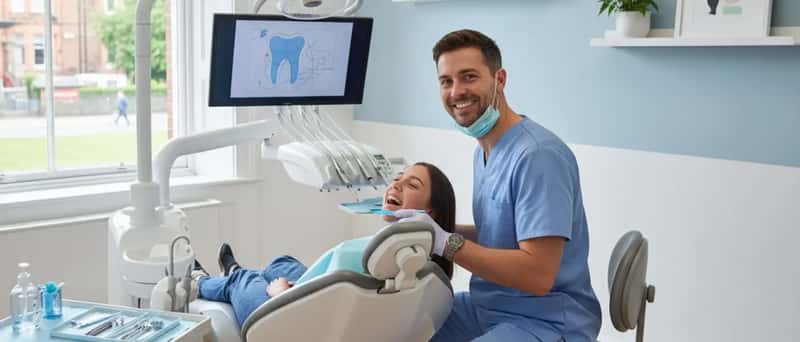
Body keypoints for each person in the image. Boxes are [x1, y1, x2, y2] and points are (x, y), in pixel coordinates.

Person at [396, 29, 602, 341]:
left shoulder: (538, 157)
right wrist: (430, 228)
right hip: (487, 307)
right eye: (446, 81)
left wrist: (446, 243)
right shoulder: (484, 150)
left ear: (499, 80)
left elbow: (537, 274)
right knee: (392, 325)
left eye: (469, 77)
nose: (456, 92)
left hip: (545, 321)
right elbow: (502, 236)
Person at [193, 162, 457, 328]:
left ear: (431, 212)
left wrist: (283, 293)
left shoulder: (388, 261)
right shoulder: (419, 263)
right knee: (282, 263)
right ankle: (233, 271)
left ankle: (200, 281)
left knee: (245, 280)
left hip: (294, 322)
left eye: (411, 184)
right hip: (323, 298)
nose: (396, 184)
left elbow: (328, 315)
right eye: (398, 178)